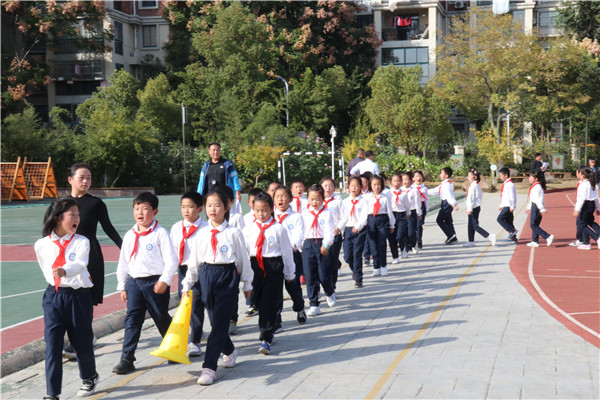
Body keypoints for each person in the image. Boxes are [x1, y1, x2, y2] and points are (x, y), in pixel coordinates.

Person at [181, 189, 253, 386]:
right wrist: (188, 283)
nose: (212, 209)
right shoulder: (202, 233)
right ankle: (230, 351)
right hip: (206, 276)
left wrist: (247, 283)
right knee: (216, 323)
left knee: (219, 323)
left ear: (227, 206)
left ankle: (209, 367)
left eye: (217, 205)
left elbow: (243, 260)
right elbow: (194, 261)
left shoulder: (233, 233)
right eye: (209, 205)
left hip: (227, 276)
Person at [35, 198, 99, 399]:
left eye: (78, 215)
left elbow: (80, 264)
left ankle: (89, 377)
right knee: (52, 345)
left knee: (82, 342)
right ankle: (52, 394)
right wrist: (57, 278)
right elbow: (46, 270)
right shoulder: (42, 245)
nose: (77, 219)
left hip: (78, 297)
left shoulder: (82, 241)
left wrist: (65, 271)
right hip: (53, 297)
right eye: (72, 214)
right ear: (57, 218)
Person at [112, 192, 179, 375]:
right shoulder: (130, 235)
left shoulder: (160, 234)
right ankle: (127, 359)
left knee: (161, 316)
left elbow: (172, 261)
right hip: (134, 283)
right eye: (136, 209)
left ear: (155, 211)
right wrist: (122, 285)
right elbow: (123, 262)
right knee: (132, 319)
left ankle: (174, 348)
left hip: (155, 283)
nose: (140, 212)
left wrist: (164, 280)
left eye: (145, 209)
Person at [64, 163, 122, 358]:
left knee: (86, 298)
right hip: (68, 256)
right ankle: (85, 336)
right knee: (71, 297)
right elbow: (52, 231)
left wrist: (126, 249)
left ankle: (79, 341)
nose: (86, 181)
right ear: (70, 180)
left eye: (89, 177)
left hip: (91, 255)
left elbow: (109, 228)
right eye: (82, 177)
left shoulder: (96, 203)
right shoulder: (62, 204)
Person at [243, 192, 295, 355]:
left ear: (271, 209)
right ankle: (268, 327)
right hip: (254, 267)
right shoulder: (249, 228)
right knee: (257, 302)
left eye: (264, 210)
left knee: (269, 302)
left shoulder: (278, 229)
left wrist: (289, 273)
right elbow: (244, 251)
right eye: (257, 211)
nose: (261, 214)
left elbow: (287, 252)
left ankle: (265, 338)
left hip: (273, 266)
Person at [170, 192, 208, 357]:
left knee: (196, 304)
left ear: (199, 209)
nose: (186, 210)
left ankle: (195, 341)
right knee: (185, 302)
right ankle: (195, 333)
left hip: (201, 269)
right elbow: (171, 250)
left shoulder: (206, 228)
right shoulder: (177, 227)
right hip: (183, 269)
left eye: (190, 207)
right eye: (183, 207)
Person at [273, 185, 307, 324]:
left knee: (292, 286)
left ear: (290, 199)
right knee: (275, 289)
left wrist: (291, 246)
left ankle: (299, 308)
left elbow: (299, 235)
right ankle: (277, 319)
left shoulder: (296, 216)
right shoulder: (270, 216)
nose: (280, 199)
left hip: (292, 255)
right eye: (277, 197)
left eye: (283, 196)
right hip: (274, 257)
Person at [302, 184, 336, 316]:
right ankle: (314, 303)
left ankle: (329, 291)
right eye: (311, 199)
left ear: (323, 199)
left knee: (323, 275)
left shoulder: (327, 213)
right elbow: (302, 231)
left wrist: (326, 244)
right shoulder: (304, 213)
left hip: (321, 244)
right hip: (308, 244)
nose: (314, 202)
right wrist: (301, 245)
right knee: (310, 276)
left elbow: (329, 231)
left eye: (317, 199)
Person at [338, 177, 368, 288]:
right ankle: (355, 271)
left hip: (359, 230)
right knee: (347, 256)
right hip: (347, 230)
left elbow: (364, 216)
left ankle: (359, 279)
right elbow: (342, 217)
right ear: (348, 187)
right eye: (352, 185)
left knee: (357, 255)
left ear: (361, 187)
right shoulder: (344, 202)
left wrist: (358, 226)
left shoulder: (364, 201)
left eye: (356, 185)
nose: (354, 188)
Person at [366, 175, 395, 277]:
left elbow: (389, 212)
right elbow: (364, 213)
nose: (377, 187)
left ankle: (383, 266)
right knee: (373, 246)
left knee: (382, 244)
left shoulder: (385, 197)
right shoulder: (367, 197)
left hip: (383, 221)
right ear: (370, 185)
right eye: (374, 184)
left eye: (378, 184)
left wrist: (392, 224)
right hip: (371, 222)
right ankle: (376, 266)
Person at [320, 177, 344, 289]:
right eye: (325, 185)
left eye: (331, 186)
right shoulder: (316, 201)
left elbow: (344, 216)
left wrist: (338, 228)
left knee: (332, 262)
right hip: (320, 236)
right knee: (322, 264)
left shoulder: (337, 201)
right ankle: (320, 287)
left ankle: (332, 287)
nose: (328, 188)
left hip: (334, 236)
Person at [463, 169, 496, 247]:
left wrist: (469, 209)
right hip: (476, 207)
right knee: (470, 225)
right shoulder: (476, 185)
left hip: (473, 208)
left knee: (475, 226)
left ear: (474, 177)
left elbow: (470, 199)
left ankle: (490, 236)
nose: (468, 177)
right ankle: (471, 241)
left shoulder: (473, 186)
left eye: (469, 176)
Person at [428, 167, 459, 244]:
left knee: (439, 220)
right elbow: (435, 191)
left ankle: (450, 235)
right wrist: (424, 191)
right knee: (448, 221)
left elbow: (449, 196)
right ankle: (453, 237)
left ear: (446, 175)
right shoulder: (444, 184)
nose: (440, 175)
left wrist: (453, 204)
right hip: (446, 204)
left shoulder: (446, 185)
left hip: (446, 204)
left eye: (441, 173)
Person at [573, 166, 600, 250]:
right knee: (590, 222)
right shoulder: (592, 184)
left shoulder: (583, 185)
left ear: (583, 175)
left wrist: (577, 209)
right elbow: (596, 198)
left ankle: (597, 238)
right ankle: (586, 243)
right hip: (591, 205)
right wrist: (597, 208)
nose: (578, 174)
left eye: (579, 173)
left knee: (583, 224)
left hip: (585, 205)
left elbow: (581, 199)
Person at [526, 170, 554, 247]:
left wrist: (542, 209)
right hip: (535, 206)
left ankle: (547, 236)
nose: (529, 178)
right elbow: (531, 199)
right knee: (535, 225)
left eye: (530, 177)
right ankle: (535, 241)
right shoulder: (535, 186)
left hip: (537, 207)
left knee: (533, 225)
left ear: (536, 179)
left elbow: (538, 200)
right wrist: (528, 207)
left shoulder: (537, 188)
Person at [388, 172, 410, 264]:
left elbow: (407, 204)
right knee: (392, 237)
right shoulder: (388, 193)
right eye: (394, 181)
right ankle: (395, 257)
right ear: (391, 182)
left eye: (398, 181)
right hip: (391, 215)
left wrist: (408, 212)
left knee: (400, 235)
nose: (396, 183)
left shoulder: (403, 193)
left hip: (401, 215)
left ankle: (402, 248)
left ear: (401, 182)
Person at [401, 172, 422, 255]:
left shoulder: (414, 190)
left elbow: (417, 203)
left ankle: (413, 244)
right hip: (403, 212)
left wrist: (419, 213)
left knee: (411, 231)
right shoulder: (400, 190)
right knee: (404, 231)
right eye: (403, 179)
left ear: (410, 180)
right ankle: (406, 247)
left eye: (407, 179)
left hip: (412, 212)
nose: (405, 181)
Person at [497, 167, 518, 242]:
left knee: (500, 219)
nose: (500, 177)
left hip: (508, 205)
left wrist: (512, 206)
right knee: (509, 221)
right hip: (506, 205)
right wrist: (501, 205)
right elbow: (505, 196)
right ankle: (513, 238)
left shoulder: (509, 184)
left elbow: (512, 196)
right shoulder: (506, 184)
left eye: (501, 175)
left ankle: (512, 231)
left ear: (506, 175)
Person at [412, 171, 429, 249]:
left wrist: (427, 209)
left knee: (419, 225)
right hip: (413, 207)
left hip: (421, 206)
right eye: (417, 176)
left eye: (420, 176)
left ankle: (419, 240)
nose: (419, 178)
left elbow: (426, 199)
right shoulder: (411, 188)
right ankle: (413, 240)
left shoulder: (424, 188)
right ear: (413, 178)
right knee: (413, 225)